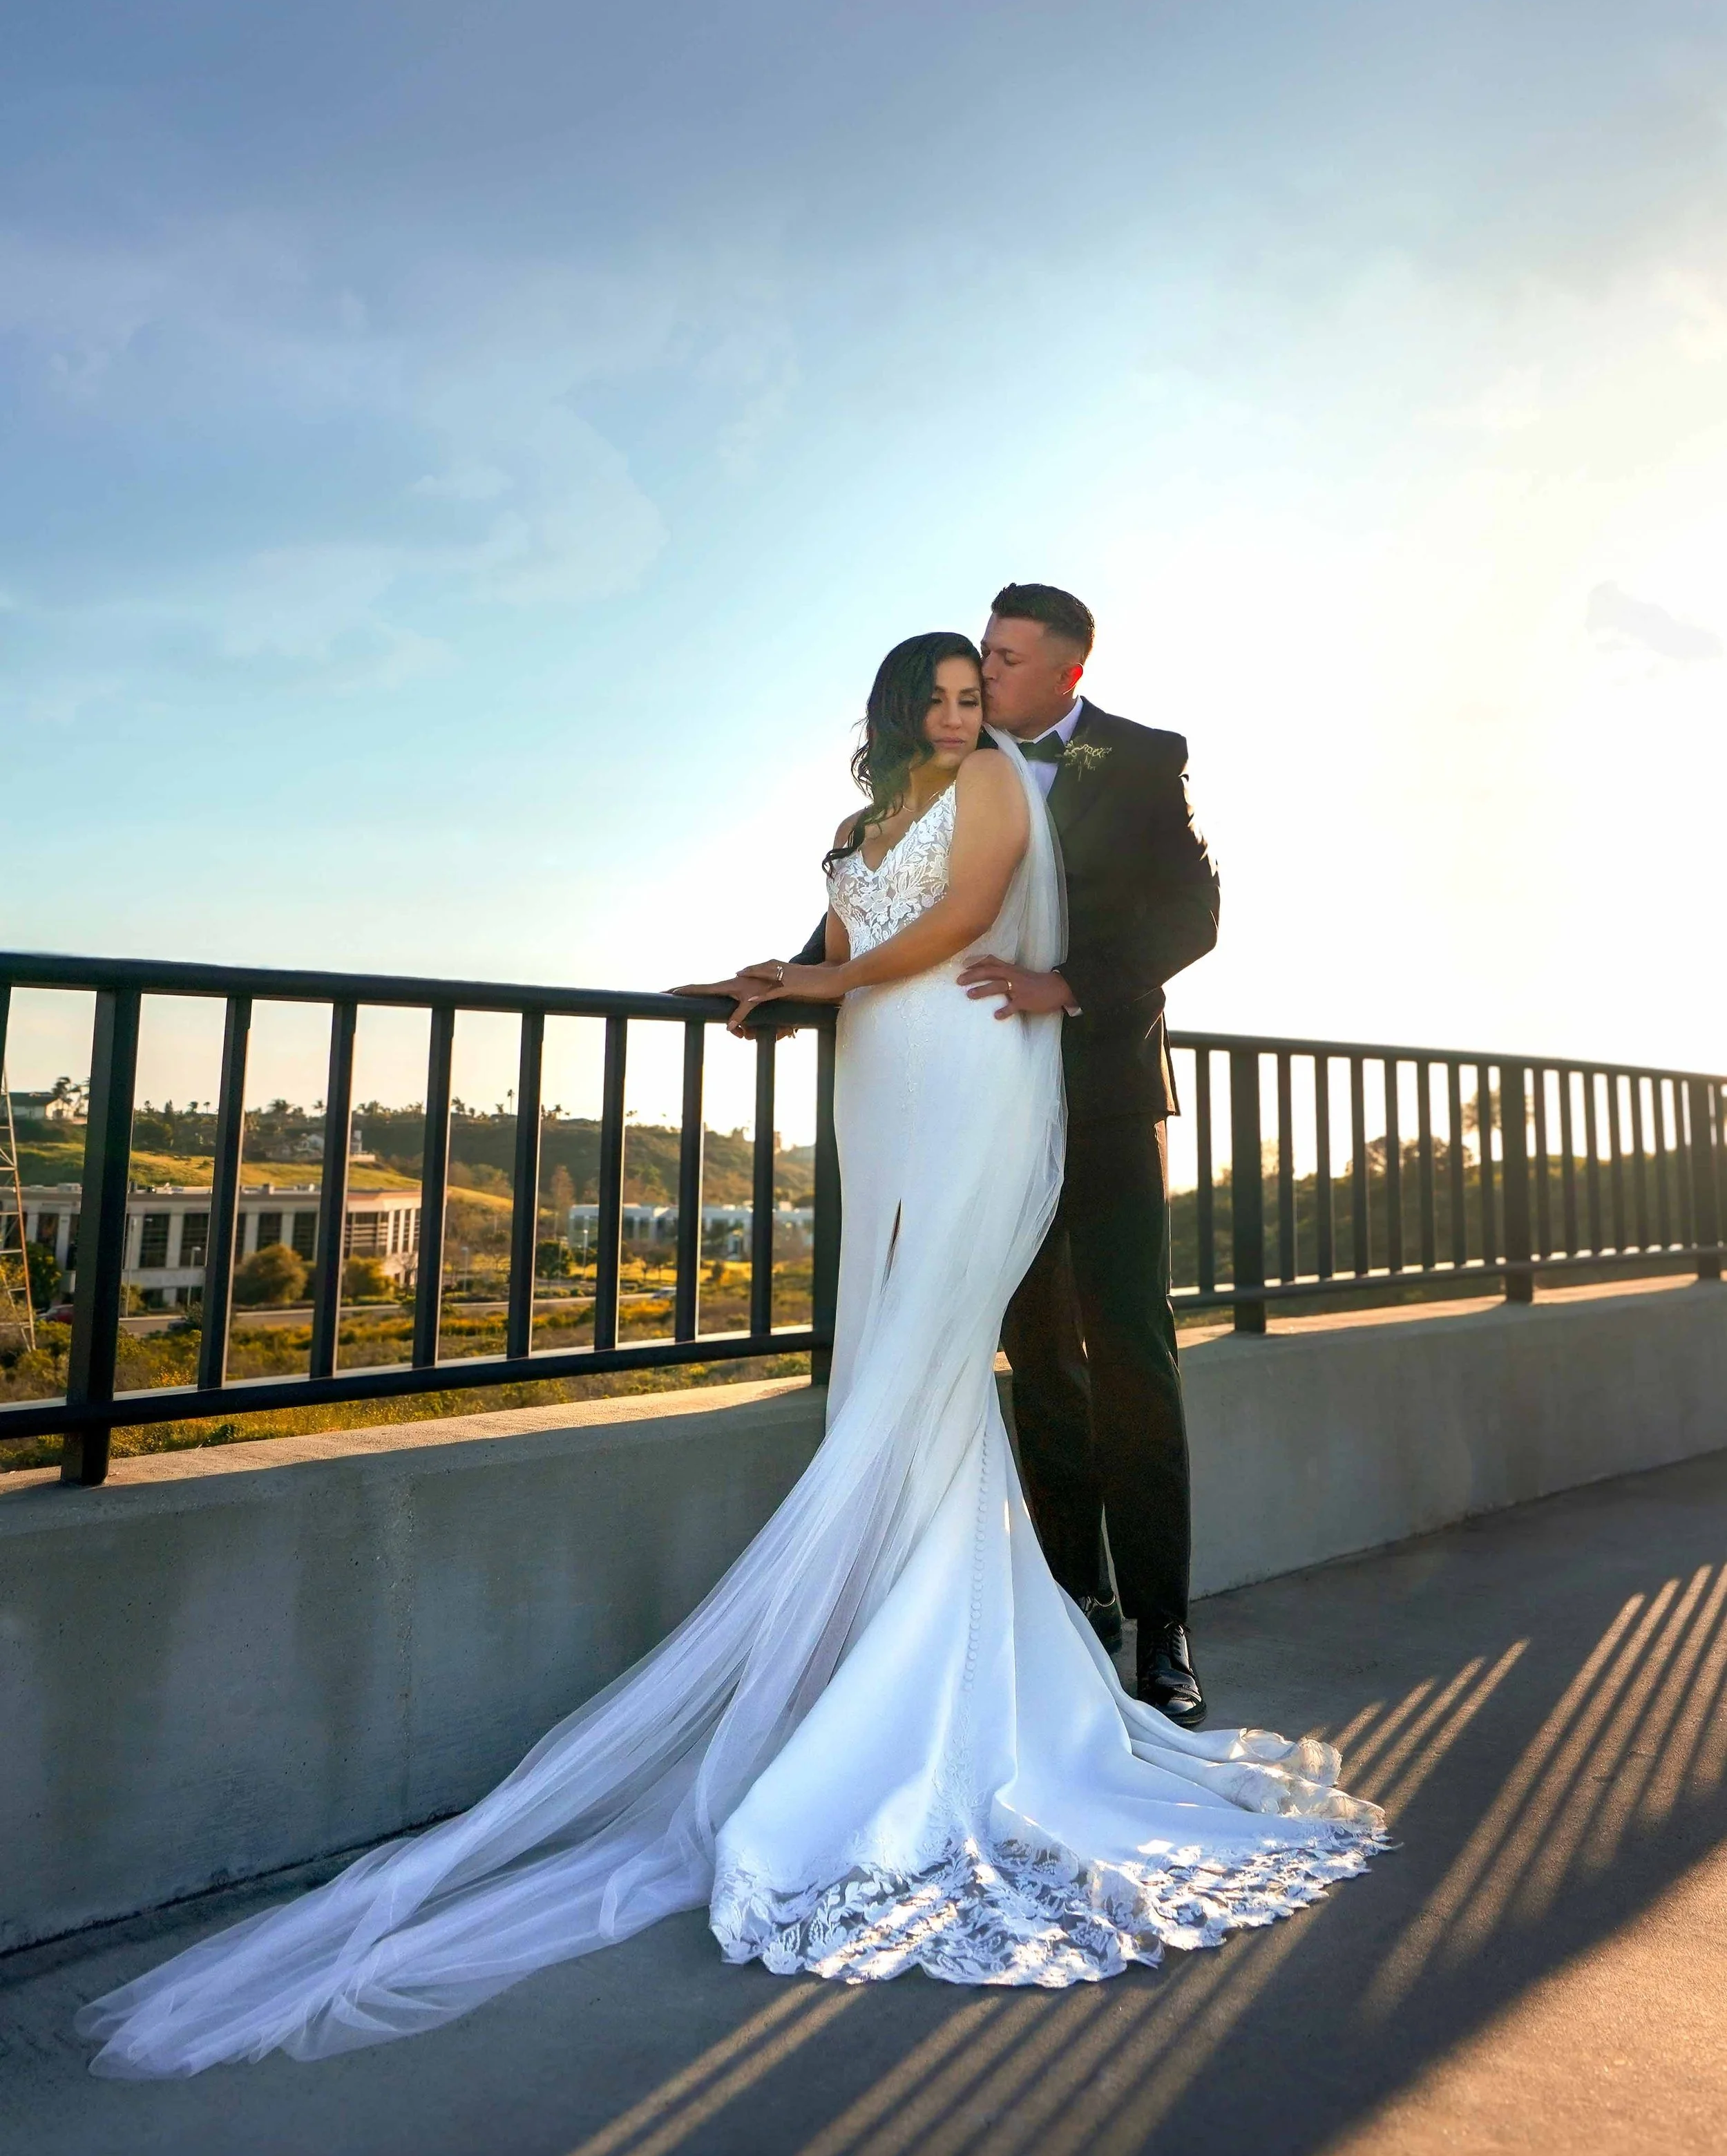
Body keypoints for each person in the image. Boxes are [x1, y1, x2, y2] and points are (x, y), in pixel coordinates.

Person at [79, 633, 1377, 2079]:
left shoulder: (1023, 778)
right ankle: (910, 1622)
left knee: (992, 1366)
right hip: (883, 1077)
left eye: (983, 682)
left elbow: (958, 924)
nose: (968, 706)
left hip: (979, 1062)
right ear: (897, 712)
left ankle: (1038, 1649)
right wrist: (772, 981)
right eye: (946, 691)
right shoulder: (860, 820)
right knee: (909, 1357)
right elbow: (850, 928)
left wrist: (871, 985)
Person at [790, 586, 1219, 1724]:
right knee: (1037, 1357)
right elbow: (887, 899)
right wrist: (785, 985)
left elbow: (1192, 915)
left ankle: (1165, 1627)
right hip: (981, 1101)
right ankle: (1077, 1596)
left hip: (1105, 1095)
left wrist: (1066, 986)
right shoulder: (948, 770)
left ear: (1069, 674)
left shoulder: (1141, 758)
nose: (989, 673)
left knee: (1130, 1348)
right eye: (985, 653)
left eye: (1011, 660)